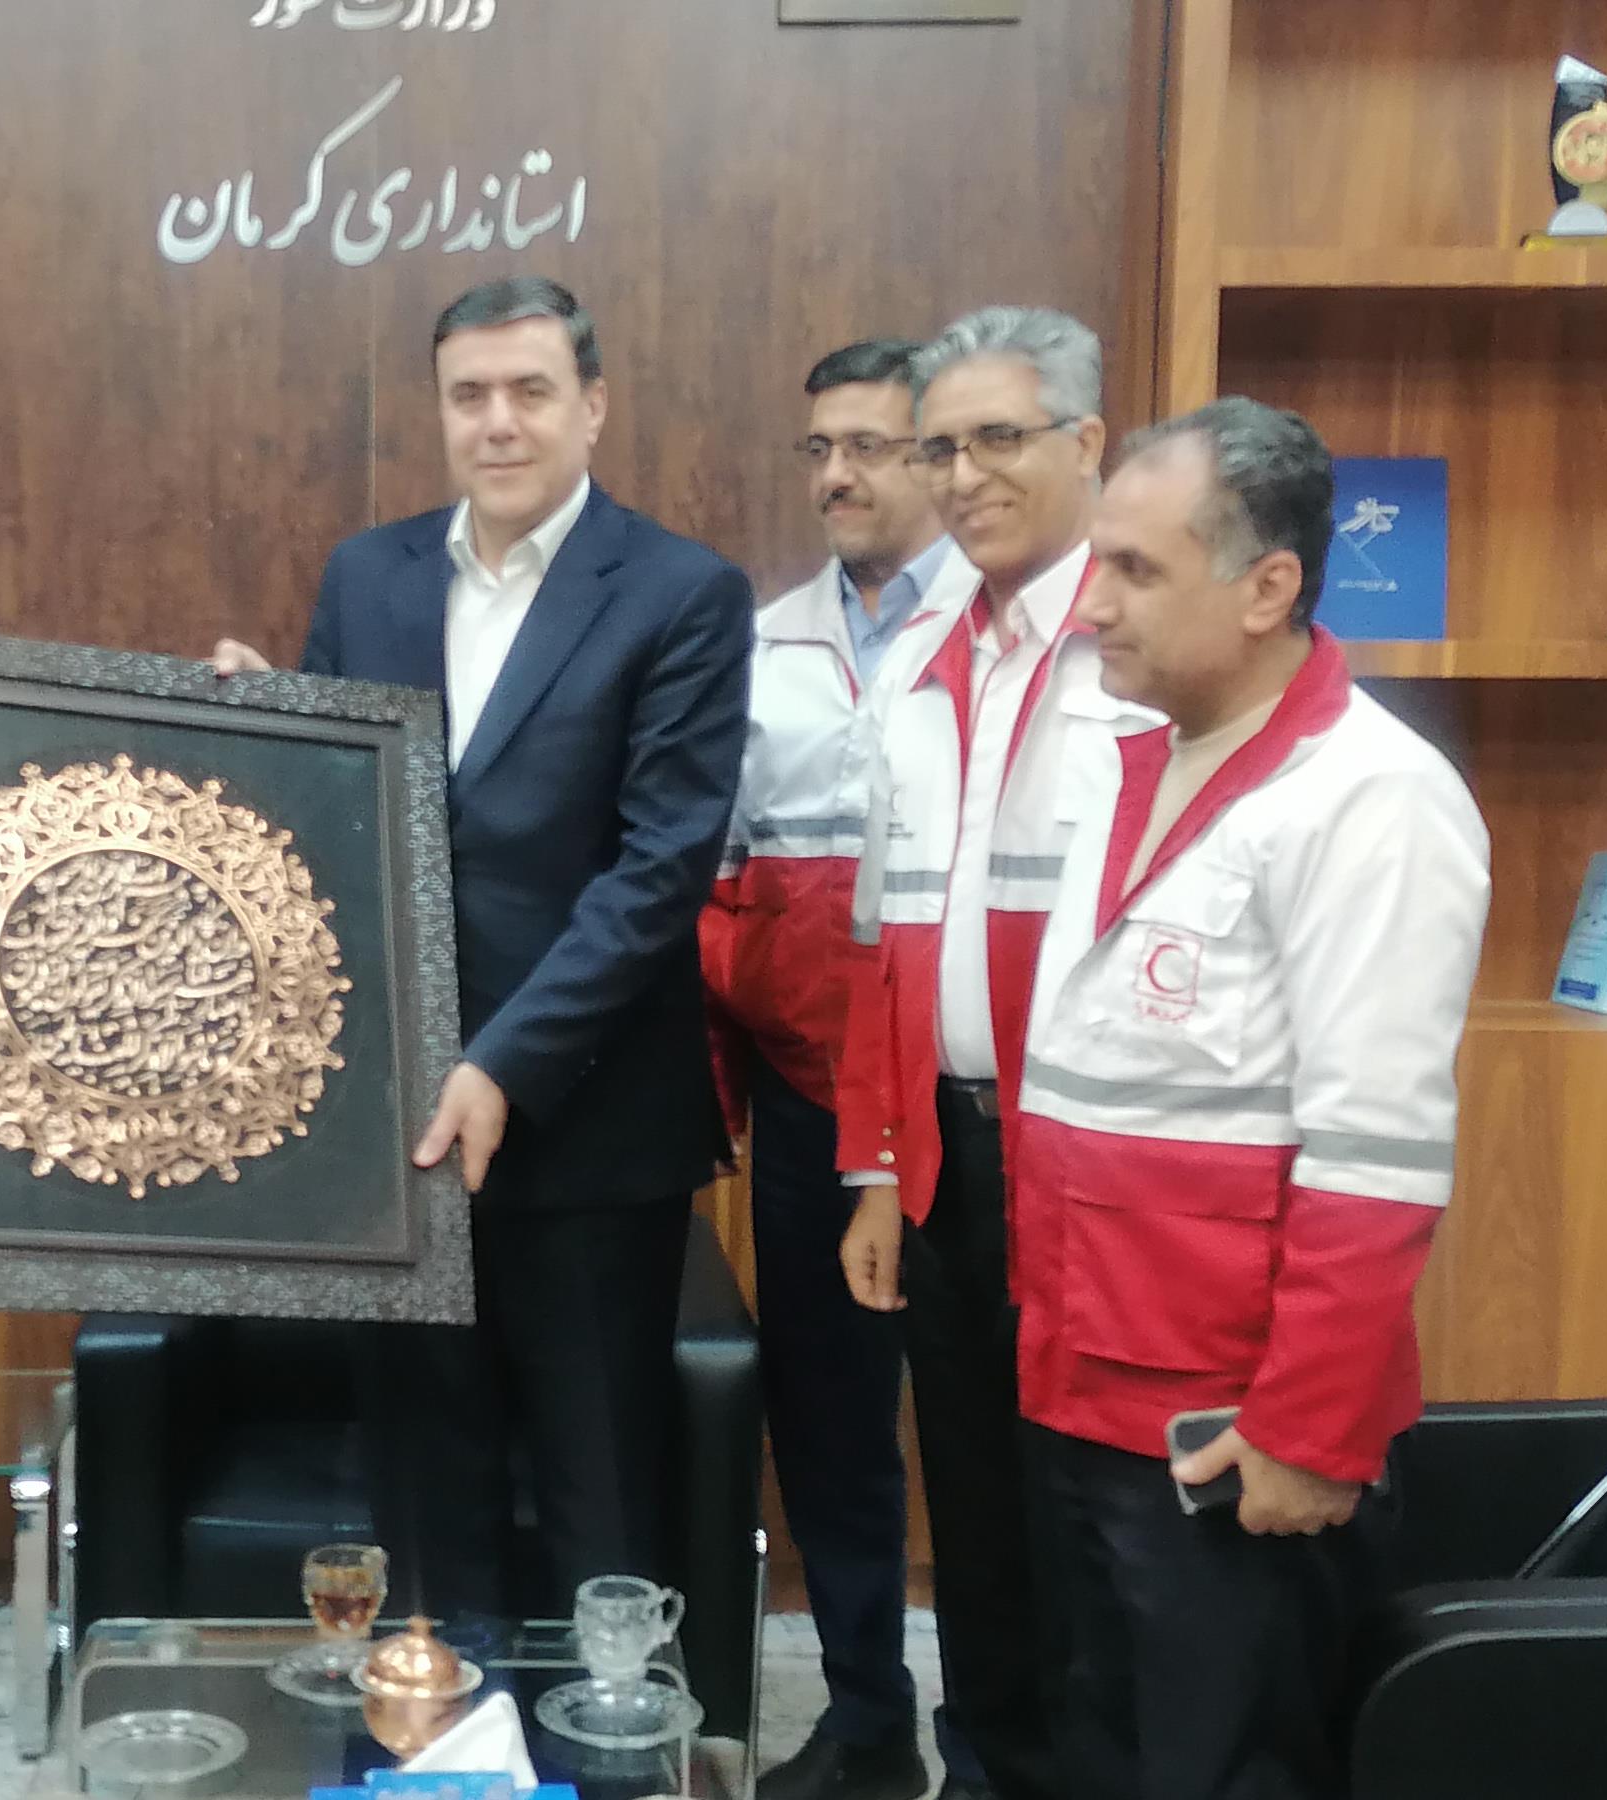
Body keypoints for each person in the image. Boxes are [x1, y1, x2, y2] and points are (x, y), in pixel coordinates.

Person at [212, 275, 752, 1627]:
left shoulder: (682, 591)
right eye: (469, 395)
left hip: (589, 1128)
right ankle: (437, 1728)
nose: (498, 421)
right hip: (397, 1127)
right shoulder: (369, 573)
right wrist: (259, 734)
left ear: (593, 406)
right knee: (420, 1487)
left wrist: (504, 1063)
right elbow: (336, 824)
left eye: (530, 391)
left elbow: (659, 869)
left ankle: (609, 1738)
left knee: (600, 1497)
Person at [1014, 397, 1489, 1800]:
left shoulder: (1372, 798)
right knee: (1096, 1746)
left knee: (1226, 1768)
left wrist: (1307, 1429)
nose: (1091, 605)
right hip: (1079, 1377)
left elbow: (1377, 1153)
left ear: (1268, 587)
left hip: (1227, 1422)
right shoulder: (1133, 760)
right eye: (1096, 564)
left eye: (1136, 570)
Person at [832, 304, 1135, 1800]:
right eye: (940, 447)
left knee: (1089, 1517)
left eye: (997, 438)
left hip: (1093, 1165)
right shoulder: (928, 657)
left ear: (1089, 442)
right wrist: (879, 1163)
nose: (962, 477)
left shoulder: (1137, 644)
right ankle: (989, 1768)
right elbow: (886, 938)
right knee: (973, 1505)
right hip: (948, 1154)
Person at [698, 338, 957, 1800]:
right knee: (832, 1424)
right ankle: (869, 1721)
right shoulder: (764, 642)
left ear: (940, 457)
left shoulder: (1004, 631)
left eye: (871, 445)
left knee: (988, 1431)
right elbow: (722, 879)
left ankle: (1012, 1734)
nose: (838, 475)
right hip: (813, 1102)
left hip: (973, 1107)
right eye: (820, 450)